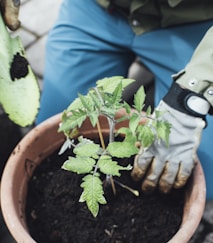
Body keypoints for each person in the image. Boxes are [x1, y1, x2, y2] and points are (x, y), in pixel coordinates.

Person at [5, 0, 213, 199]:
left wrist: (192, 95)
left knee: (203, 178)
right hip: (99, 10)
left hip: (194, 24)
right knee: (53, 132)